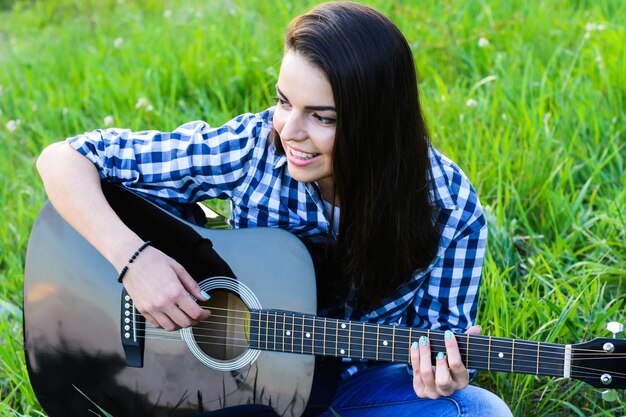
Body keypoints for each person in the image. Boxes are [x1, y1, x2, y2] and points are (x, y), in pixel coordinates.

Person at [37, 1, 513, 416]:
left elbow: (443, 342)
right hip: (230, 387)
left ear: (378, 123)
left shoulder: (448, 208)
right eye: (284, 101)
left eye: (321, 117)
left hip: (352, 386)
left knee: (479, 410)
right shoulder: (255, 147)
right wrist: (134, 260)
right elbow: (63, 159)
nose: (289, 130)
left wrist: (442, 375)